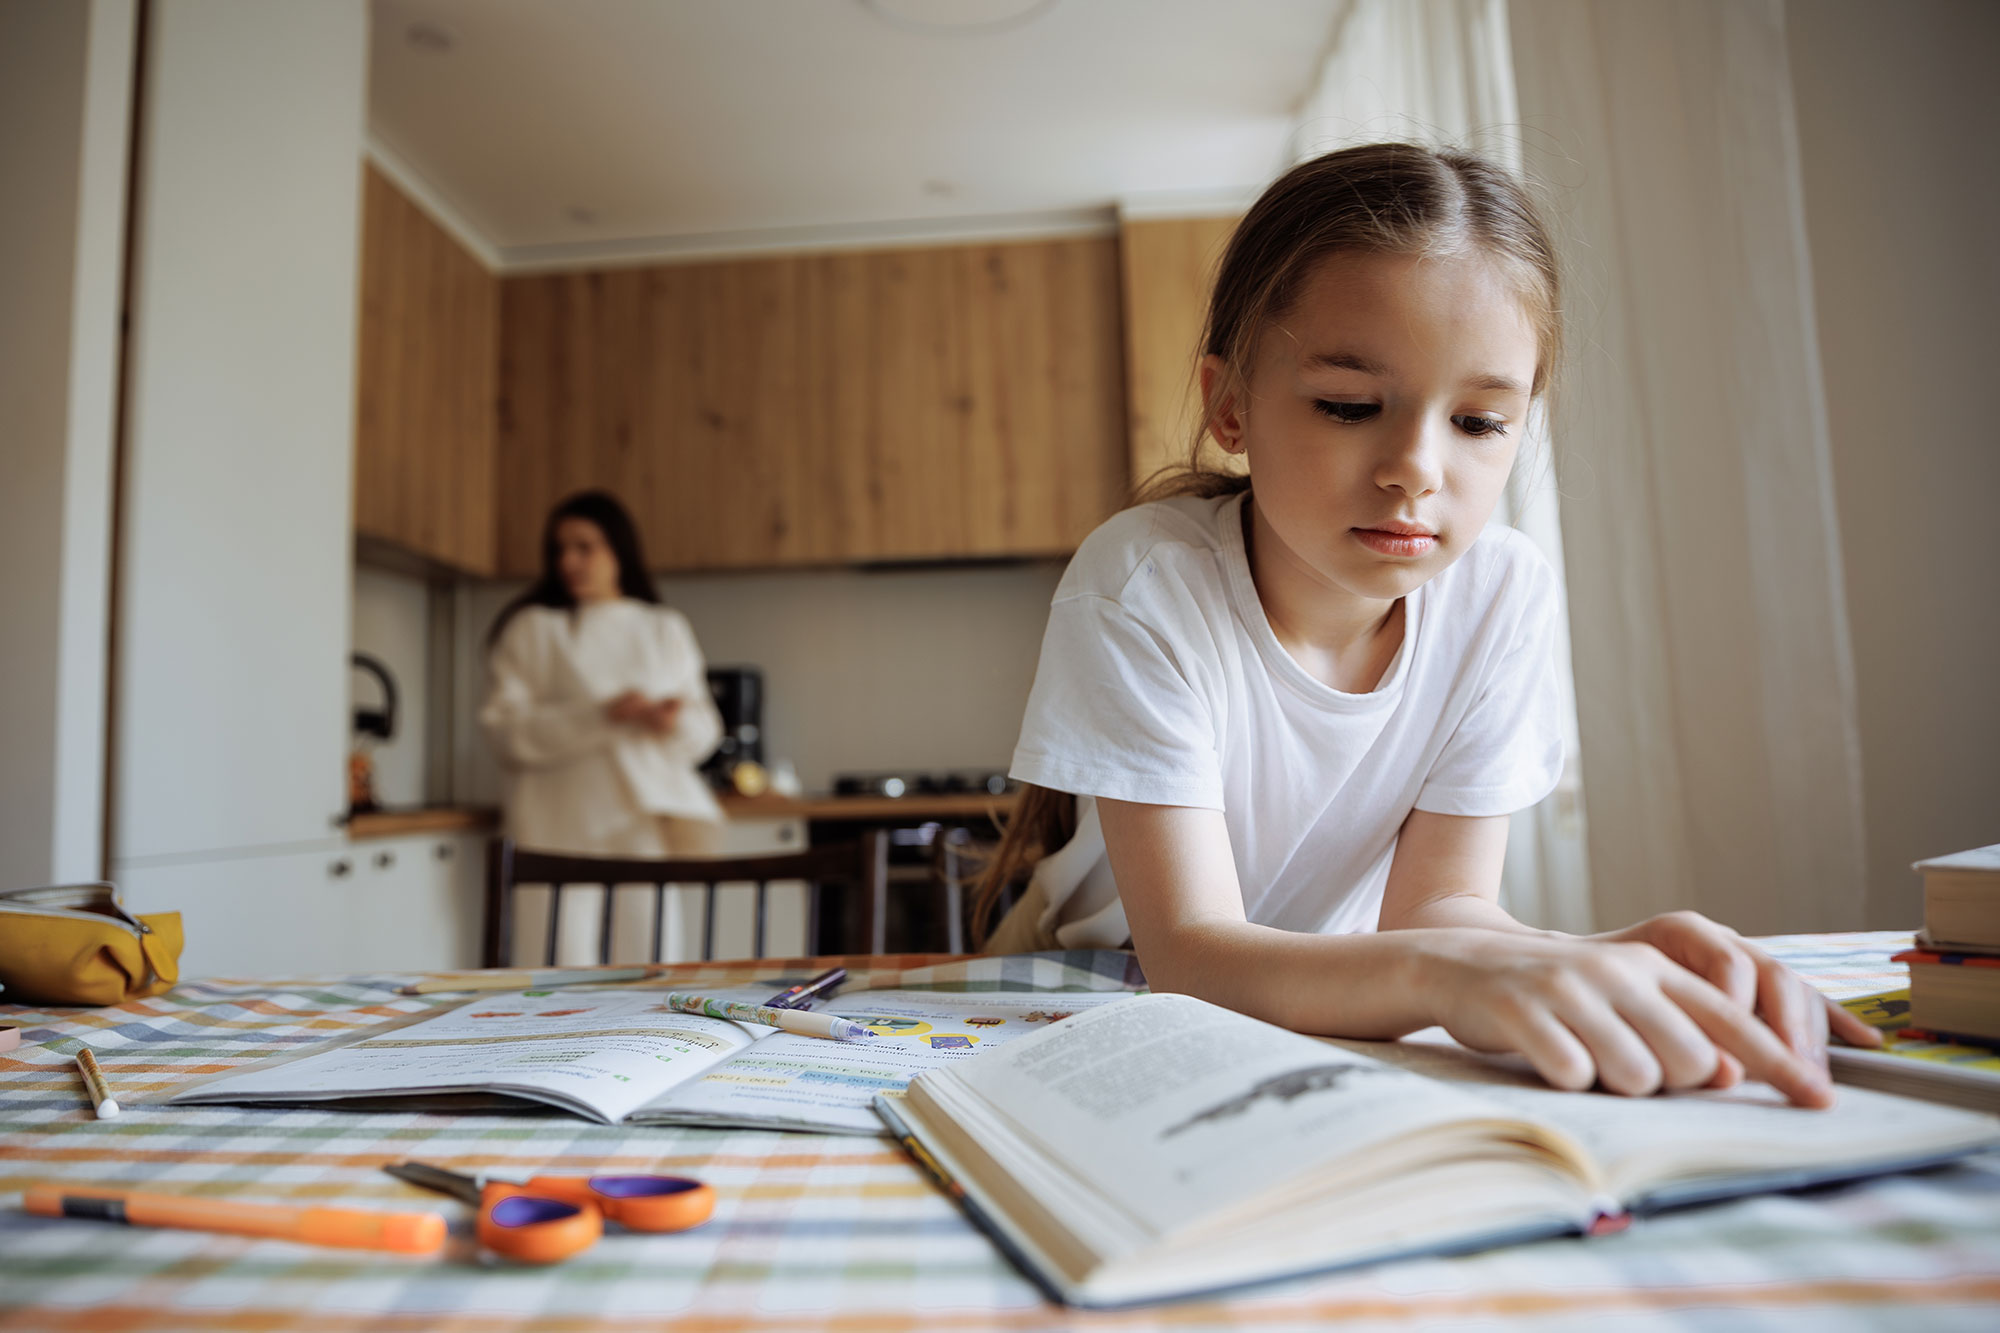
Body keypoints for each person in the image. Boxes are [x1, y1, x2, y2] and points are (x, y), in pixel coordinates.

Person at [973, 143, 1880, 1107]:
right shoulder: (1144, 582)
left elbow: (1439, 908)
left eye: (1481, 422)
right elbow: (1191, 953)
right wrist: (1440, 973)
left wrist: (1593, 955)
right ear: (1230, 405)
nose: (1415, 467)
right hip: (1093, 985)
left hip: (1319, 995)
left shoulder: (1503, 594)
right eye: (1350, 404)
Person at [482, 491, 724, 962]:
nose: (568, 561)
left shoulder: (662, 628)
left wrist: (666, 720)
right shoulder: (534, 629)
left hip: (639, 829)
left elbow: (703, 732)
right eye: (559, 549)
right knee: (554, 971)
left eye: (583, 546)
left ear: (618, 550)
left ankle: (654, 1042)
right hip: (553, 830)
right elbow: (504, 732)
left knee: (652, 967)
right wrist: (601, 715)